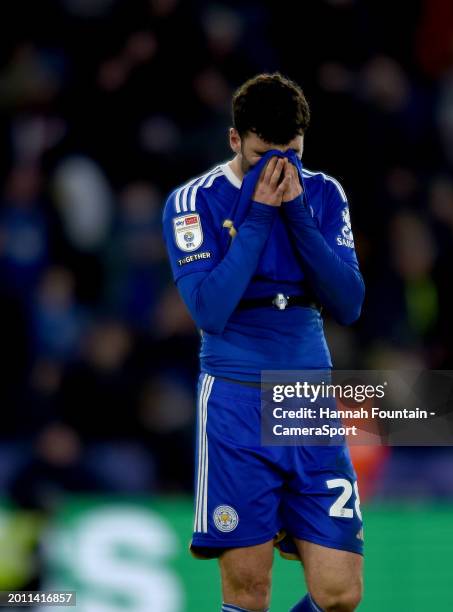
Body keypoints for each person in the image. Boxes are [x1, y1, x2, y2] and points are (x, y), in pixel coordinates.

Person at [162, 73, 365, 612]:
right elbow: (209, 309)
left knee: (340, 593)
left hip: (308, 399)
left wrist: (296, 214)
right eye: (261, 156)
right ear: (235, 141)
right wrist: (258, 214)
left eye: (292, 155)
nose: (278, 170)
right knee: (249, 591)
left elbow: (348, 303)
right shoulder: (192, 202)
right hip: (235, 399)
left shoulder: (323, 194)